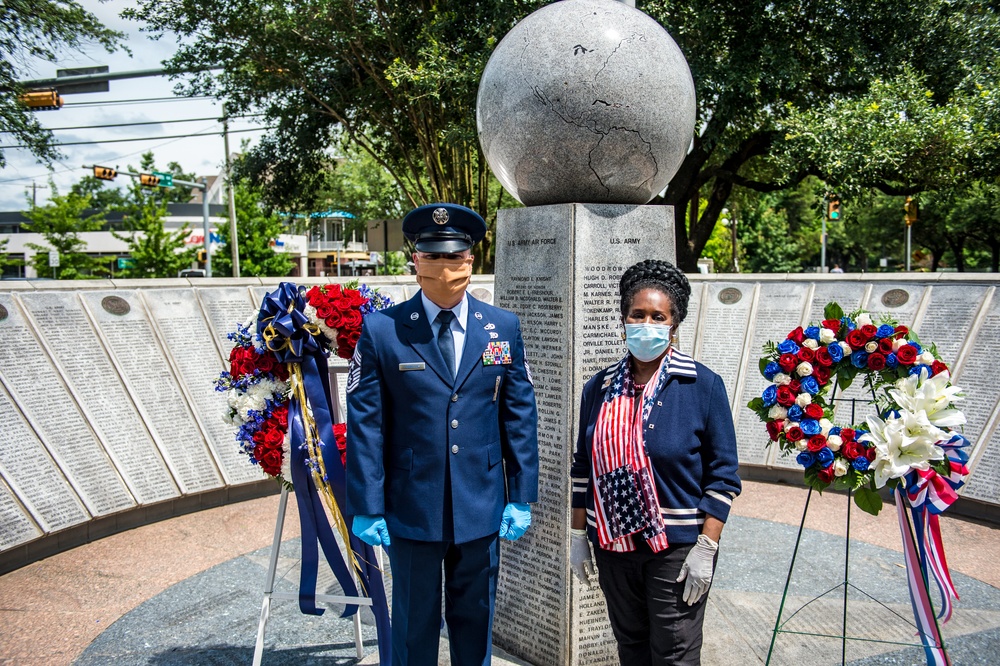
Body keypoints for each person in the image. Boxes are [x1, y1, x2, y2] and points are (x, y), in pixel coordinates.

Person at [346, 203, 539, 666]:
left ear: (471, 261)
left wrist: (521, 493)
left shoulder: (502, 327)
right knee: (414, 623)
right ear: (415, 260)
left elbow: (519, 413)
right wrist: (367, 505)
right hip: (412, 502)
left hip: (482, 499)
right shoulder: (383, 331)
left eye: (454, 258)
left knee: (475, 619)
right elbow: (367, 425)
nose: (443, 269)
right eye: (431, 258)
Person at [569, 259, 741, 665]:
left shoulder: (701, 384)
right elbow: (583, 468)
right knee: (631, 646)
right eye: (637, 314)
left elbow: (724, 475)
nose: (646, 323)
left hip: (678, 548)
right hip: (613, 543)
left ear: (673, 324)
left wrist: (707, 545)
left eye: (657, 316)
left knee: (675, 651)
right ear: (623, 319)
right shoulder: (600, 386)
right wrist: (578, 537)